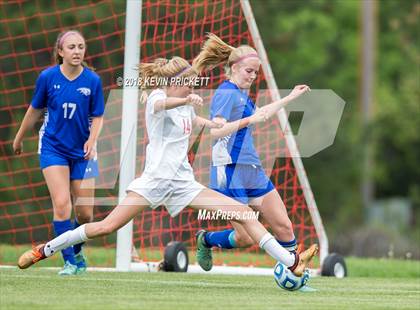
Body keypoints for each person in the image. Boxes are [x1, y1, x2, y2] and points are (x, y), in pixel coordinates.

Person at [18, 57, 317, 277]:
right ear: (174, 81)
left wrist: (214, 122)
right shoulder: (158, 97)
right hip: (154, 182)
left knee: (242, 213)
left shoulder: (185, 102)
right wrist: (185, 100)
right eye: (187, 80)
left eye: (191, 80)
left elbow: (199, 122)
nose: (192, 83)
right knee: (106, 226)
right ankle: (46, 249)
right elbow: (161, 107)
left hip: (184, 185)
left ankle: (290, 262)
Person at [192, 33, 313, 271]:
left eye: (255, 72)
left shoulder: (241, 94)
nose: (253, 76)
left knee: (284, 226)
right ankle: (205, 239)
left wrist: (290, 97)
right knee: (245, 237)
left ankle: (294, 273)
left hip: (252, 169)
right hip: (229, 170)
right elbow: (216, 132)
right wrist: (249, 119)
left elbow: (262, 114)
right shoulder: (226, 93)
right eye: (249, 71)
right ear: (234, 67)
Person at [13, 30, 104, 275]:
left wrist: (92, 141)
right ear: (60, 52)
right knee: (62, 204)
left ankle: (74, 249)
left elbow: (97, 117)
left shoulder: (93, 81)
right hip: (53, 149)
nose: (77, 51)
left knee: (85, 213)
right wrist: (19, 138)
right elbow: (34, 110)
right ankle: (69, 262)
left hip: (84, 152)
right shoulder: (47, 77)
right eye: (72, 47)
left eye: (81, 47)